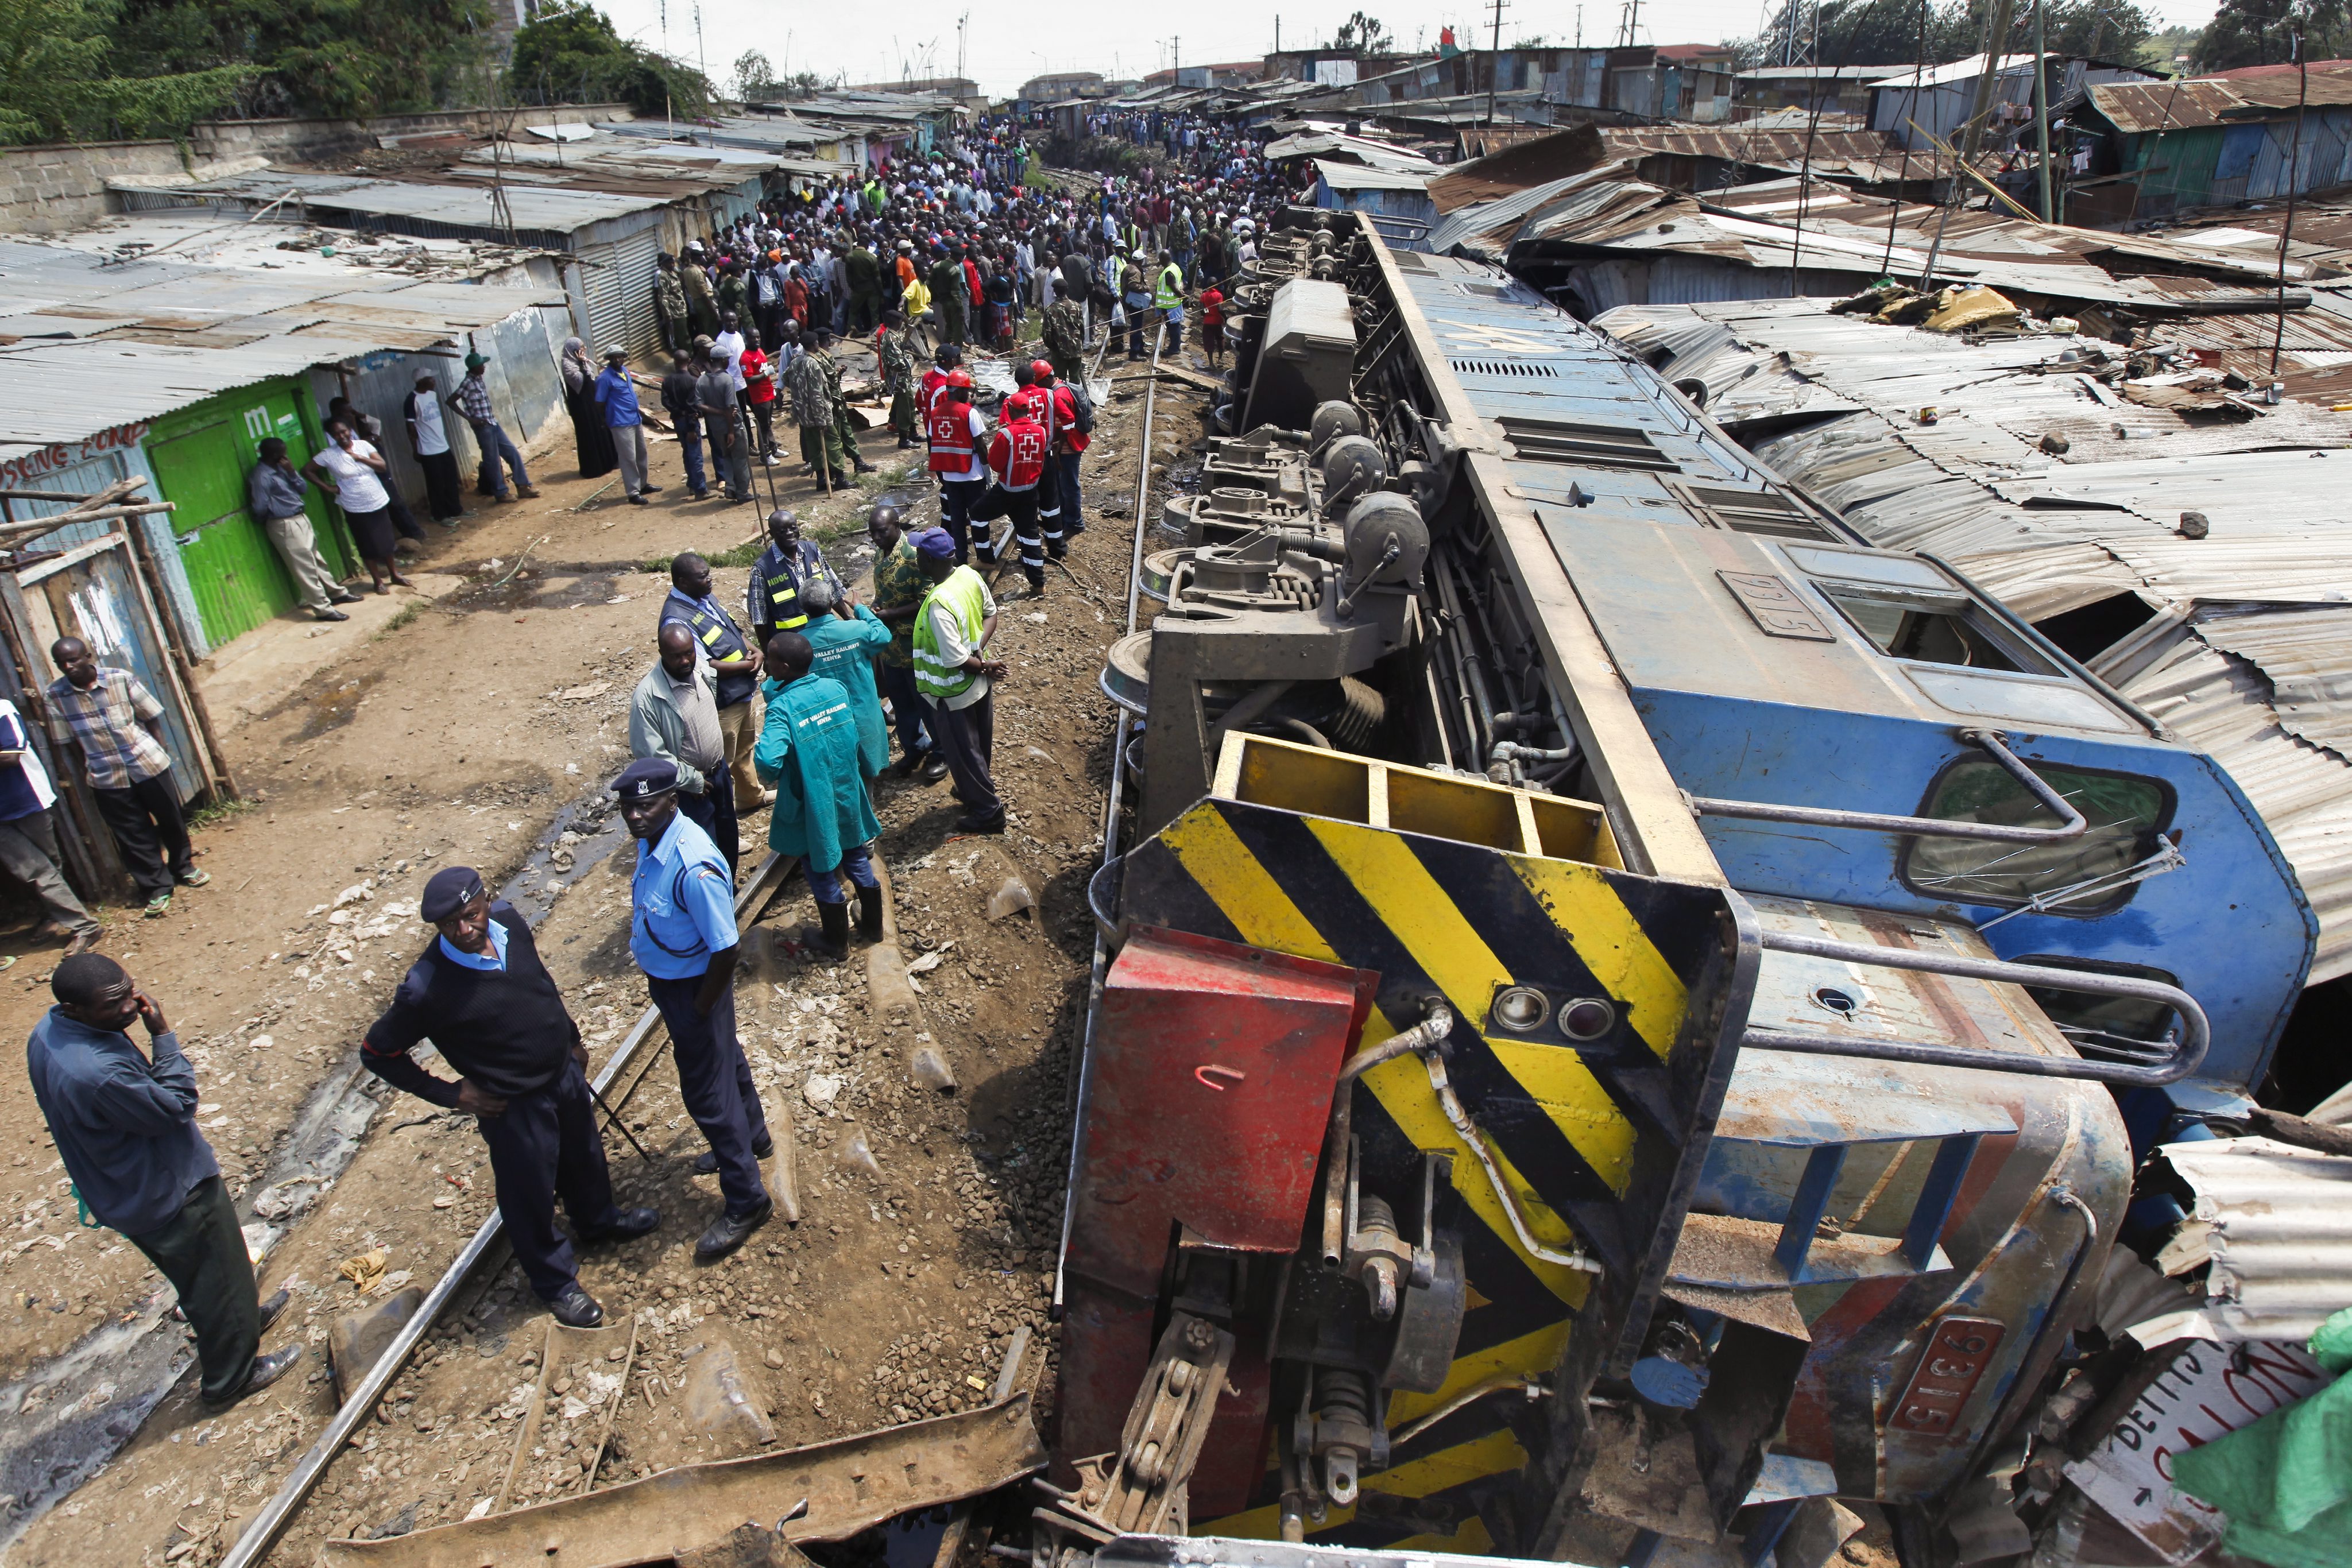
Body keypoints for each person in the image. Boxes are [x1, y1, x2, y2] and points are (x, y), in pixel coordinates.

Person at [361, 869, 659, 1328]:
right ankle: (555, 1281)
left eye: (471, 915)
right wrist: (451, 1093)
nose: (464, 930)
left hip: (561, 1074)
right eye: (450, 924)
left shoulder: (510, 923)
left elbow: (540, 983)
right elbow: (378, 1052)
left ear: (487, 900)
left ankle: (598, 1222)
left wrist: (571, 1039)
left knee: (584, 1155)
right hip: (514, 1105)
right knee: (528, 1192)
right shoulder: (426, 987)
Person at [27, 955, 300, 1407]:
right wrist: (162, 1036)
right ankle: (231, 1377)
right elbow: (176, 1105)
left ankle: (243, 1319)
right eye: (113, 1005)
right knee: (212, 1280)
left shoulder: (48, 1032)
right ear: (75, 1008)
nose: (130, 1008)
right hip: (168, 1189)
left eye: (128, 992)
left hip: (121, 1182)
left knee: (221, 1268)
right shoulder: (98, 1073)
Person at [614, 758, 773, 1261]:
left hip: (695, 989)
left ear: (672, 801)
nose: (635, 816)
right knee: (727, 1060)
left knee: (707, 1095)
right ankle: (756, 1137)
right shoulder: (655, 840)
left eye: (645, 805)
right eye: (628, 807)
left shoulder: (692, 864)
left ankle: (747, 1199)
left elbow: (727, 948)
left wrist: (701, 1008)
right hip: (676, 984)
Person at [47, 639, 205, 918]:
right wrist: (90, 763)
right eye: (61, 663)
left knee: (170, 818)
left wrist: (159, 749)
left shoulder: (119, 679)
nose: (67, 667)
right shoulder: (55, 696)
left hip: (147, 763)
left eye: (73, 660)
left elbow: (151, 715)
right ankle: (156, 887)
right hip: (106, 775)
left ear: (88, 656)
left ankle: (183, 867)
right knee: (133, 834)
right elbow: (68, 742)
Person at [755, 630, 885, 962]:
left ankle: (835, 941)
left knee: (818, 862)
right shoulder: (835, 689)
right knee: (854, 850)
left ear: (784, 668)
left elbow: (768, 762)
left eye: (770, 660)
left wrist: (781, 768)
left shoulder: (782, 708)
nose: (766, 665)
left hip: (812, 799)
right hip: (846, 789)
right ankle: (874, 927)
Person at [910, 528, 1006, 833]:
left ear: (928, 560)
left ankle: (989, 814)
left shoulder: (939, 603)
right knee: (979, 745)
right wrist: (981, 651)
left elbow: (955, 660)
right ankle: (973, 791)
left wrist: (981, 664)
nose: (915, 558)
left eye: (918, 554)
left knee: (964, 753)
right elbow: (991, 615)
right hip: (978, 685)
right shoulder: (968, 575)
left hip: (953, 690)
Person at [662, 552, 768, 816]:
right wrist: (747, 666)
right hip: (721, 701)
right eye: (703, 577)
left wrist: (756, 651)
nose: (710, 579)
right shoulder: (677, 619)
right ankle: (723, 818)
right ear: (683, 582)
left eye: (709, 573)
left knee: (744, 749)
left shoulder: (704, 597)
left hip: (742, 690)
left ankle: (751, 797)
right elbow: (702, 665)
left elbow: (730, 631)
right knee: (722, 763)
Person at [629, 624, 737, 869]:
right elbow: (651, 757)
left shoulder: (700, 669)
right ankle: (708, 890)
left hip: (718, 773)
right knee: (701, 849)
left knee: (728, 837)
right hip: (690, 790)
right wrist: (691, 780)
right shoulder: (648, 698)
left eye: (689, 652)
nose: (685, 661)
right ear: (662, 654)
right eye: (676, 656)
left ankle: (729, 886)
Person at [0, 696, 101, 958]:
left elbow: (11, 756)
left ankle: (62, 918)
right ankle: (80, 924)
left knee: (47, 865)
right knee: (36, 869)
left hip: (27, 801)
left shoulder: (3, 709)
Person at [864, 505, 945, 781]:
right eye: (872, 533)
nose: (876, 538)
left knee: (926, 703)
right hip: (891, 647)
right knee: (901, 702)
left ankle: (942, 752)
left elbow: (927, 599)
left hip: (914, 645)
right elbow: (882, 591)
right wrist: (876, 606)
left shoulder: (914, 555)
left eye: (881, 532)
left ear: (897, 526)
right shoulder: (881, 553)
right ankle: (915, 748)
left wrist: (891, 614)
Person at [248, 439, 358, 622]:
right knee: (304, 568)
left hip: (300, 518)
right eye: (283, 453)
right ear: (275, 455)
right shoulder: (262, 476)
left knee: (316, 559)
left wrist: (292, 472)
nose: (286, 456)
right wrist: (274, 518)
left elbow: (302, 488)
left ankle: (336, 593)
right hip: (284, 523)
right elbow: (259, 507)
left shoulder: (283, 468)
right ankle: (323, 609)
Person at [796, 577, 893, 783]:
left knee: (840, 776)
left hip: (826, 721)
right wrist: (861, 609)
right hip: (863, 713)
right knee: (867, 772)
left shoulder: (800, 644)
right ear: (831, 602)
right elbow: (884, 635)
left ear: (802, 609)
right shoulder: (857, 630)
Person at [305, 419, 409, 596]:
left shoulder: (363, 446)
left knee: (387, 540)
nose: (342, 436)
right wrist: (328, 488)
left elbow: (382, 466)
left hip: (376, 498)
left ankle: (394, 574)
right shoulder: (328, 455)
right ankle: (377, 581)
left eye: (344, 431)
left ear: (349, 430)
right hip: (354, 504)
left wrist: (360, 457)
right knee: (366, 543)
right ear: (331, 436)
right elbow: (307, 470)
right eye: (336, 434)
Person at [972, 395, 1050, 598]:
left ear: (1012, 410)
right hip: (1030, 491)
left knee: (978, 514)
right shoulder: (1041, 431)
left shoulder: (1006, 434)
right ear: (1028, 411)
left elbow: (996, 464)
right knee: (1030, 535)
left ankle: (985, 559)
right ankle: (1039, 585)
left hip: (1007, 491)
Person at [747, 506, 845, 651]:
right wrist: (767, 653)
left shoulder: (812, 551)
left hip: (822, 635)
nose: (789, 533)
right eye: (782, 531)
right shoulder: (762, 569)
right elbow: (759, 617)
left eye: (793, 528)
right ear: (772, 535)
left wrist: (849, 619)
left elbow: (832, 590)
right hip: (791, 644)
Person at [453, 352, 537, 501]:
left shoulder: (479, 379)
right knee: (492, 461)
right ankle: (501, 493)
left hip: (492, 423)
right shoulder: (467, 383)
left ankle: (523, 486)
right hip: (483, 427)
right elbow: (451, 401)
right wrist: (470, 419)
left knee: (512, 453)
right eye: (481, 365)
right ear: (475, 367)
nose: (484, 367)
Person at [927, 371, 987, 564]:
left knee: (957, 520)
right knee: (978, 518)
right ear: (961, 391)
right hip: (972, 475)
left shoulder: (935, 413)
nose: (968, 394)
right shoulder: (970, 413)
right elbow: (981, 446)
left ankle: (961, 559)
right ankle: (984, 556)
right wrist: (988, 472)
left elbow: (933, 442)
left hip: (949, 477)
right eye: (967, 391)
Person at [595, 346, 662, 506]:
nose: (618, 360)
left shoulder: (624, 371)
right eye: (614, 357)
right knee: (628, 457)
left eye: (620, 356)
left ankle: (643, 484)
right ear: (609, 359)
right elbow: (599, 403)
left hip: (635, 418)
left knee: (641, 453)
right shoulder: (605, 379)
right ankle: (633, 492)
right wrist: (605, 421)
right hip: (620, 422)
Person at [786, 332, 850, 490]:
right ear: (814, 344)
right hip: (819, 414)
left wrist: (800, 394)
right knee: (833, 444)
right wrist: (821, 420)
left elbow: (786, 379)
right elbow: (816, 394)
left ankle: (821, 479)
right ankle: (840, 479)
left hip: (804, 415)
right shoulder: (814, 364)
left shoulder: (795, 363)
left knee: (814, 446)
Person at [404, 371, 465, 524]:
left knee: (451, 479)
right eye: (431, 379)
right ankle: (440, 515)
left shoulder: (432, 394)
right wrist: (415, 449)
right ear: (421, 381)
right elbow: (410, 428)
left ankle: (455, 510)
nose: (434, 381)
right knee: (436, 484)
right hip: (428, 450)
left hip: (443, 445)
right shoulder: (412, 400)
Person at [696, 343, 752, 504]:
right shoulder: (727, 379)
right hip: (733, 427)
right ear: (722, 360)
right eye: (727, 359)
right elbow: (730, 407)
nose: (728, 362)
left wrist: (718, 413)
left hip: (716, 428)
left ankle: (730, 488)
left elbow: (699, 404)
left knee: (726, 457)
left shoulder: (702, 380)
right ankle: (742, 493)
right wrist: (732, 432)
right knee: (741, 459)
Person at [560, 338, 620, 481]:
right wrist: (582, 363)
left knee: (602, 428)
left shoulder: (582, 362)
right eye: (582, 347)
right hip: (582, 406)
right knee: (589, 433)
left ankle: (609, 462)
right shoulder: (568, 365)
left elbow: (591, 377)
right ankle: (595, 468)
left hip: (592, 401)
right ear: (574, 350)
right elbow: (580, 381)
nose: (585, 349)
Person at [660, 350, 709, 501]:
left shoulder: (667, 381)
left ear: (675, 362)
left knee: (687, 453)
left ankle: (692, 484)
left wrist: (677, 411)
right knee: (695, 455)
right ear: (688, 361)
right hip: (690, 423)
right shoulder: (693, 381)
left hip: (678, 421)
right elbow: (693, 407)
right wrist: (692, 428)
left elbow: (665, 402)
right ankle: (700, 489)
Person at [738, 327, 781, 464]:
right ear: (747, 339)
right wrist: (765, 374)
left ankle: (773, 449)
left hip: (768, 393)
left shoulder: (760, 351)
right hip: (759, 397)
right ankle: (765, 455)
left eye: (758, 337)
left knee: (768, 424)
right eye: (753, 338)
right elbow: (749, 379)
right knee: (763, 426)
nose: (757, 340)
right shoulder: (745, 358)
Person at [877, 310, 919, 450]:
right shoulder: (890, 338)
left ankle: (913, 433)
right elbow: (898, 363)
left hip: (904, 379)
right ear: (898, 322)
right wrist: (910, 359)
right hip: (899, 380)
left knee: (910, 404)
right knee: (904, 409)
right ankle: (904, 438)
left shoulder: (894, 336)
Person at [1043, 280, 1086, 385]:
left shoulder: (1051, 310)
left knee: (1059, 380)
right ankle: (1076, 395)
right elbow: (1081, 328)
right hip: (1076, 348)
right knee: (1075, 379)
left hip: (1059, 350)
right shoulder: (1077, 306)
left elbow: (1047, 334)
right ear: (1067, 290)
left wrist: (1053, 348)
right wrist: (1080, 344)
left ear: (1055, 292)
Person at [656, 253, 692, 355]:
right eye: (670, 263)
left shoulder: (674, 273)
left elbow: (682, 276)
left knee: (685, 334)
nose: (673, 265)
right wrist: (667, 315)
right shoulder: (664, 277)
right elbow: (663, 297)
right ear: (664, 264)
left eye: (673, 263)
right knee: (683, 337)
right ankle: (687, 356)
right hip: (675, 312)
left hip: (681, 309)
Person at [1153, 249, 1186, 355]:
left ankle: (1174, 348)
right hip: (1173, 303)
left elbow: (1174, 288)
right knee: (1175, 326)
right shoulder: (1175, 267)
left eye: (1160, 259)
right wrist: (1182, 291)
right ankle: (1174, 346)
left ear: (1163, 259)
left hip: (1170, 304)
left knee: (1173, 327)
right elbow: (1181, 280)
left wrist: (1181, 295)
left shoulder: (1168, 273)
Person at [1200, 281, 1225, 370]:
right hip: (1217, 321)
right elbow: (1220, 309)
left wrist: (1207, 315)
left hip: (1208, 322)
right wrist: (1225, 318)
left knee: (1208, 341)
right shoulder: (1219, 295)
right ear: (1217, 285)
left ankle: (1211, 364)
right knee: (1220, 339)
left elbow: (1202, 310)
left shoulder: (1203, 295)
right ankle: (1220, 359)